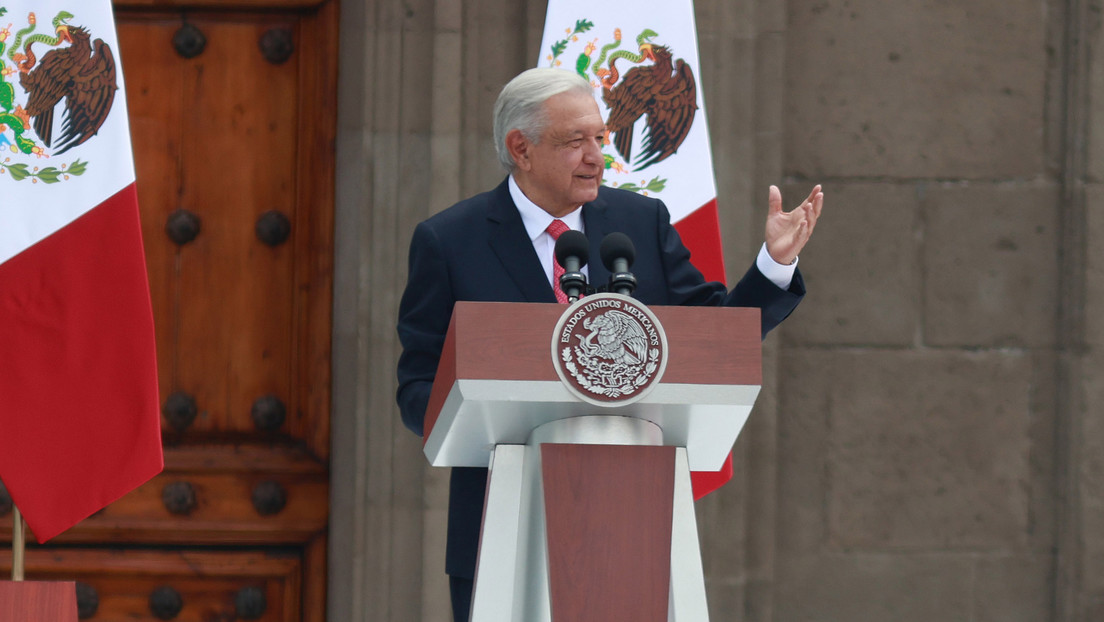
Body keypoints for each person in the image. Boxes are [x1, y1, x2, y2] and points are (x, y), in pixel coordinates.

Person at [396, 67, 823, 622]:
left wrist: (774, 264)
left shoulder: (639, 223)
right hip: (499, 525)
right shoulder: (450, 240)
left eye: (599, 137)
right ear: (520, 149)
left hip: (631, 520)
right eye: (575, 141)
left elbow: (714, 337)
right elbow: (418, 387)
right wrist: (475, 417)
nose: (597, 157)